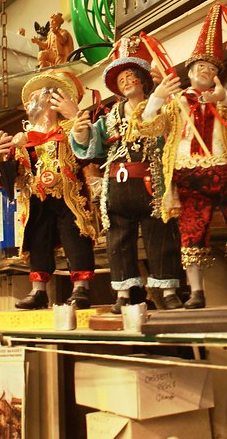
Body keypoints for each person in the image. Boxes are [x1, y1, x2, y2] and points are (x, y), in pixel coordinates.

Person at [141, 4, 227, 308]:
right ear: (190, 74)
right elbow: (144, 127)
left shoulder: (224, 101)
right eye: (200, 69)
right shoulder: (176, 103)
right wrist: (157, 96)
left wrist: (225, 98)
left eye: (211, 70)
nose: (205, 73)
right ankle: (196, 291)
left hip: (224, 171)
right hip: (189, 175)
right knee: (191, 231)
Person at [70, 36, 183, 313]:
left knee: (161, 235)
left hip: (151, 182)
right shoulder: (110, 117)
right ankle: (123, 292)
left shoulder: (161, 108)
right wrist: (80, 131)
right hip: (117, 184)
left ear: (144, 80)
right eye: (121, 79)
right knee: (118, 240)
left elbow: (160, 128)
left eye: (132, 75)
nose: (127, 80)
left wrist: (161, 97)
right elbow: (92, 144)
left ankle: (167, 290)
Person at [0, 69, 98, 310]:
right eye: (29, 99)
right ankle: (38, 290)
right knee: (37, 240)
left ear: (52, 100)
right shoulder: (21, 140)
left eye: (36, 96)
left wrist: (76, 118)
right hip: (35, 197)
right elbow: (5, 180)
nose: (29, 103)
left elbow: (90, 151)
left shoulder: (68, 131)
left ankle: (80, 287)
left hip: (69, 196)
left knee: (75, 236)